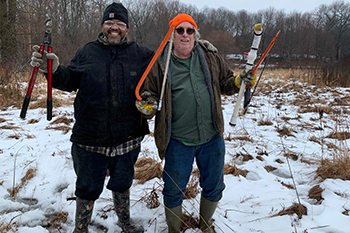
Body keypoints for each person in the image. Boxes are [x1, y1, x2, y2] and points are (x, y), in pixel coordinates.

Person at [30, 2, 155, 233]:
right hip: (89, 137)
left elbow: (164, 71)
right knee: (87, 187)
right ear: (102, 26)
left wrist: (197, 48)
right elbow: (69, 80)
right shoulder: (87, 52)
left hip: (128, 136)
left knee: (123, 182)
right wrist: (53, 70)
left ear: (127, 28)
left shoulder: (141, 54)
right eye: (109, 23)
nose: (114, 27)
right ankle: (81, 228)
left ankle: (125, 222)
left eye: (119, 23)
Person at [136, 14, 256, 233]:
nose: (184, 34)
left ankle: (204, 224)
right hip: (177, 140)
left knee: (214, 185)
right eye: (179, 30)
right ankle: (174, 229)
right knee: (173, 189)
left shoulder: (210, 57)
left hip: (211, 137)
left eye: (189, 31)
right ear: (171, 35)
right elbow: (147, 92)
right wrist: (148, 103)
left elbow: (226, 83)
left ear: (195, 35)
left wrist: (239, 81)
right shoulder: (160, 63)